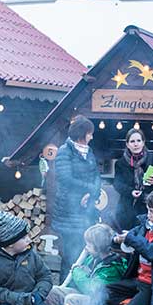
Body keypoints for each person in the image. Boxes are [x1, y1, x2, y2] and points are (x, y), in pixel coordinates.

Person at [51, 115, 101, 283]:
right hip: (69, 213)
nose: (92, 137)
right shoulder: (64, 151)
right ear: (82, 133)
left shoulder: (90, 152)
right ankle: (63, 290)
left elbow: (96, 176)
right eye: (90, 133)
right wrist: (87, 189)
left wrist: (92, 193)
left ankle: (79, 287)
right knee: (69, 255)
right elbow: (66, 179)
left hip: (87, 212)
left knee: (84, 252)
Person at [46, 223, 127, 305]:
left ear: (98, 247)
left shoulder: (112, 268)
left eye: (89, 245)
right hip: (85, 295)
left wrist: (76, 272)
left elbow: (92, 290)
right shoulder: (93, 259)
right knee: (54, 291)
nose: (86, 248)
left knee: (71, 299)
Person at [113, 129, 153, 231]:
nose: (136, 144)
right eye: (132, 141)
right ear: (127, 144)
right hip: (127, 208)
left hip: (150, 207)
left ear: (143, 142)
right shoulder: (120, 163)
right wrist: (130, 192)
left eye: (138, 141)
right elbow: (117, 183)